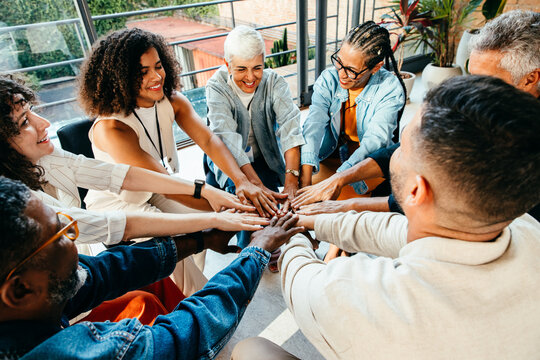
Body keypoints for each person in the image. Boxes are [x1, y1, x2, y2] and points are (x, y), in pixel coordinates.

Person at [235, 76, 540, 358]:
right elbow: (398, 230)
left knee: (250, 349)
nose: (391, 153)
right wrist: (313, 219)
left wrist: (290, 234)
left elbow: (301, 281)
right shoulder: (526, 227)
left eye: (401, 147)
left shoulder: (362, 295)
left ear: (417, 190)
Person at [0, 75, 267, 296]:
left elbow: (121, 175)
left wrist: (205, 191)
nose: (44, 124)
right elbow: (118, 223)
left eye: (32, 112)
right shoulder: (21, 205)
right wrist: (212, 220)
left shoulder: (48, 156)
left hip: (140, 199)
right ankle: (202, 306)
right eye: (24, 121)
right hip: (56, 284)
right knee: (173, 248)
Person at [0, 176, 304, 359]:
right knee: (252, 350)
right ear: (19, 289)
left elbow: (110, 270)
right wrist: (257, 250)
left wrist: (202, 240)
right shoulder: (72, 354)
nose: (71, 232)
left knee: (148, 291)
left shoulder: (24, 296)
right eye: (60, 233)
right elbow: (187, 332)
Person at [293, 10, 540, 221]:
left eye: (484, 81)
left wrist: (350, 206)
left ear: (531, 78)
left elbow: (437, 201)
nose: (471, 90)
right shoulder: (483, 106)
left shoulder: (522, 150)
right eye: (470, 75)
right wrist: (340, 180)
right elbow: (413, 147)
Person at [78, 28, 273, 218]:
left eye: (158, 66)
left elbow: (208, 140)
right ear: (119, 78)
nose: (156, 77)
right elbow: (166, 187)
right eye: (143, 72)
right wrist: (234, 204)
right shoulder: (112, 129)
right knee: (196, 230)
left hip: (157, 188)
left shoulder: (172, 101)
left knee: (209, 223)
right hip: (119, 203)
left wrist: (241, 181)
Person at [204, 25, 304, 254]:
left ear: (264, 62)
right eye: (241, 69)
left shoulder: (275, 82)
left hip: (264, 158)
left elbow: (291, 128)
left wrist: (291, 181)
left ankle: (266, 237)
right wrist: (254, 185)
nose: (250, 77)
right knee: (245, 195)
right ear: (228, 65)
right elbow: (226, 140)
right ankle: (251, 246)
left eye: (257, 68)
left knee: (273, 195)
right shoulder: (216, 86)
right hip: (227, 161)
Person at [299, 21, 405, 194]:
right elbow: (313, 126)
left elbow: (374, 142)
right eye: (339, 62)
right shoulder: (328, 79)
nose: (341, 73)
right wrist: (305, 182)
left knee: (342, 213)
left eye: (351, 70)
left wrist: (337, 180)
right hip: (331, 152)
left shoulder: (390, 89)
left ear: (376, 67)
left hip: (364, 163)